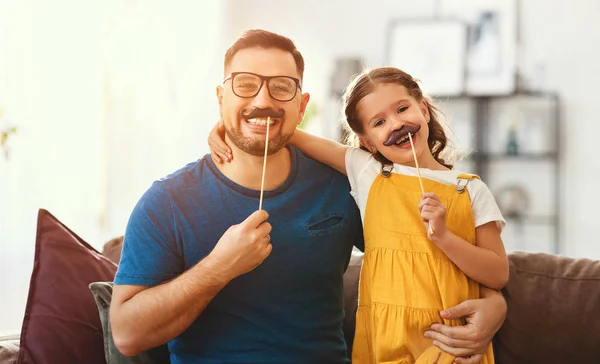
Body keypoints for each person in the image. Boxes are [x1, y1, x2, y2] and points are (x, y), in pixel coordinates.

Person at [111, 29, 506, 364]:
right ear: (221, 98)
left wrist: (495, 306)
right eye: (245, 84)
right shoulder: (168, 202)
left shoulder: (344, 187)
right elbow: (127, 336)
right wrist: (219, 267)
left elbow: (429, 250)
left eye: (281, 87)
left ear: (301, 107)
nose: (263, 101)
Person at [210, 66, 508, 363]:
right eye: (379, 122)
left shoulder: (469, 191)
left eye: (403, 108)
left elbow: (497, 273)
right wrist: (229, 124)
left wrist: (443, 238)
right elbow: (291, 135)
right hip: (383, 338)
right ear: (367, 142)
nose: (396, 124)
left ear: (425, 110)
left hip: (449, 338)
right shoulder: (367, 172)